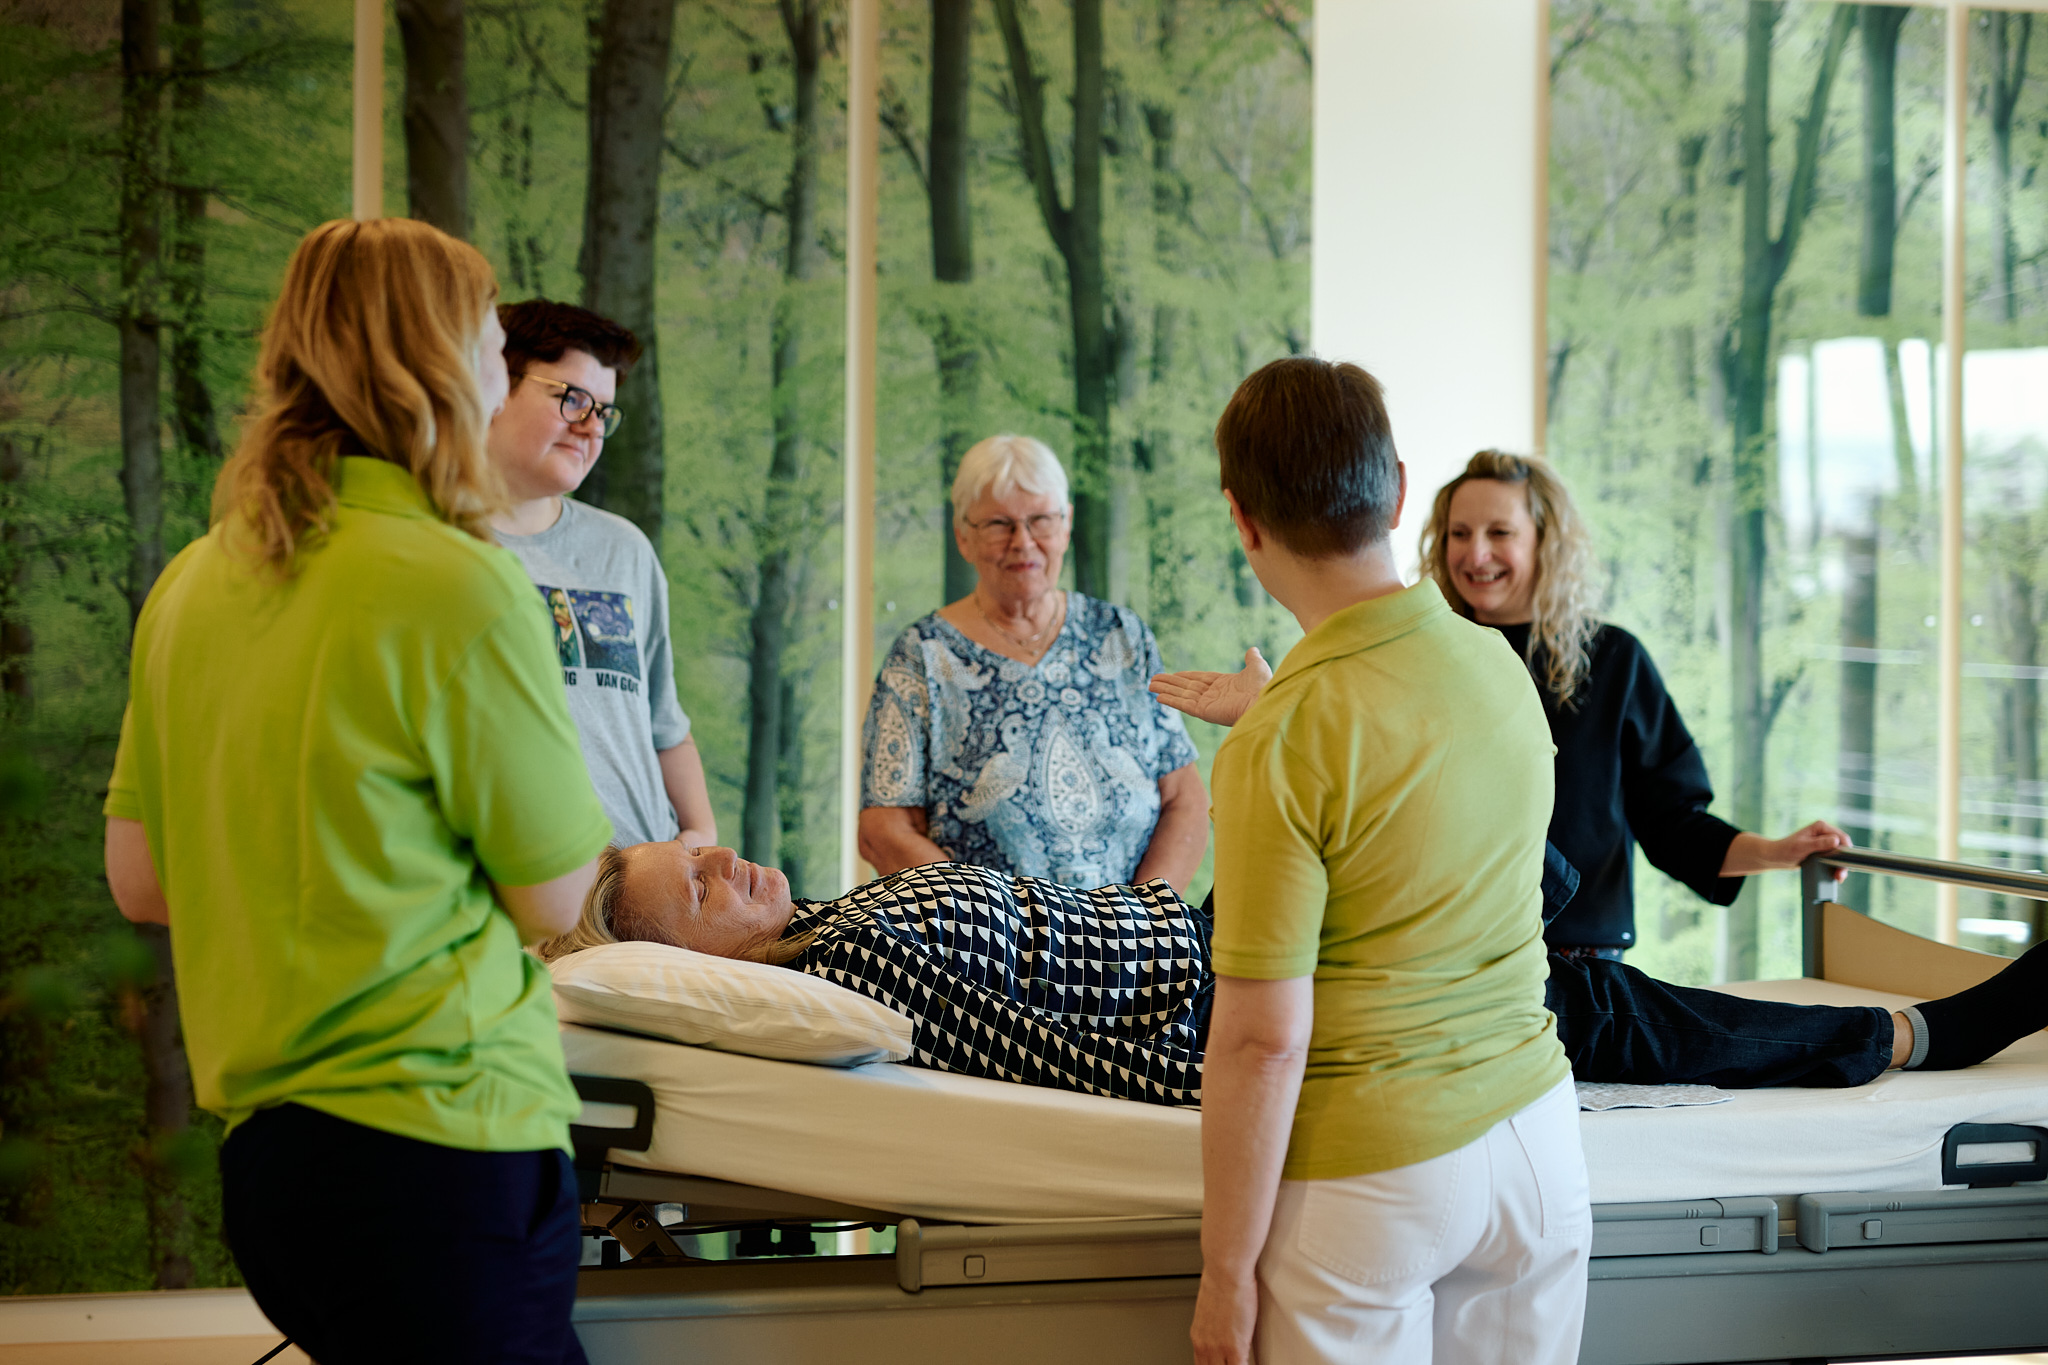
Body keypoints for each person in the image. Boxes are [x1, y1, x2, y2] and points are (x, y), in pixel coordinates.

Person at [103, 220, 613, 1365]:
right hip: (441, 1148)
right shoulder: (462, 582)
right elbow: (554, 895)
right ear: (436, 365)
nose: (497, 377)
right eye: (492, 351)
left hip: (274, 1174)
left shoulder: (192, 582)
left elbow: (141, 878)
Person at [541, 840, 2048, 1102]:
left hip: (1239, 937)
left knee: (1543, 950)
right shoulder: (857, 972)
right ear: (682, 951)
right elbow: (1058, 1057)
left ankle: (1902, 1029)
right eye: (700, 882)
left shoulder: (845, 920)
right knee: (1565, 996)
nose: (728, 859)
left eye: (714, 848)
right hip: (1246, 995)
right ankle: (1902, 1037)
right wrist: (1273, 1065)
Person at [1418, 448, 1848, 957]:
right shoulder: (1422, 657)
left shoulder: (1613, 660)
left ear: (1545, 541)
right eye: (1459, 533)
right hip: (1442, 952)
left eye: (1500, 533)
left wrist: (1778, 853)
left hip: (1578, 960)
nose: (1476, 554)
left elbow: (1672, 821)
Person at [857, 434, 1205, 892]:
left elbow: (1184, 798)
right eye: (999, 524)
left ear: (1066, 525)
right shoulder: (922, 655)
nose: (1023, 542)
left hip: (1132, 948)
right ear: (963, 536)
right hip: (989, 952)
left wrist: (1142, 919)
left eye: (1040, 519)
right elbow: (885, 831)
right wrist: (1009, 931)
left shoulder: (1121, 635)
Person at [488, 299, 714, 849]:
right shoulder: (440, 549)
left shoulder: (624, 550)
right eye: (572, 399)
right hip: (525, 891)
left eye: (604, 411)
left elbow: (665, 725)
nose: (591, 427)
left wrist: (699, 833)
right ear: (495, 385)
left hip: (646, 883)